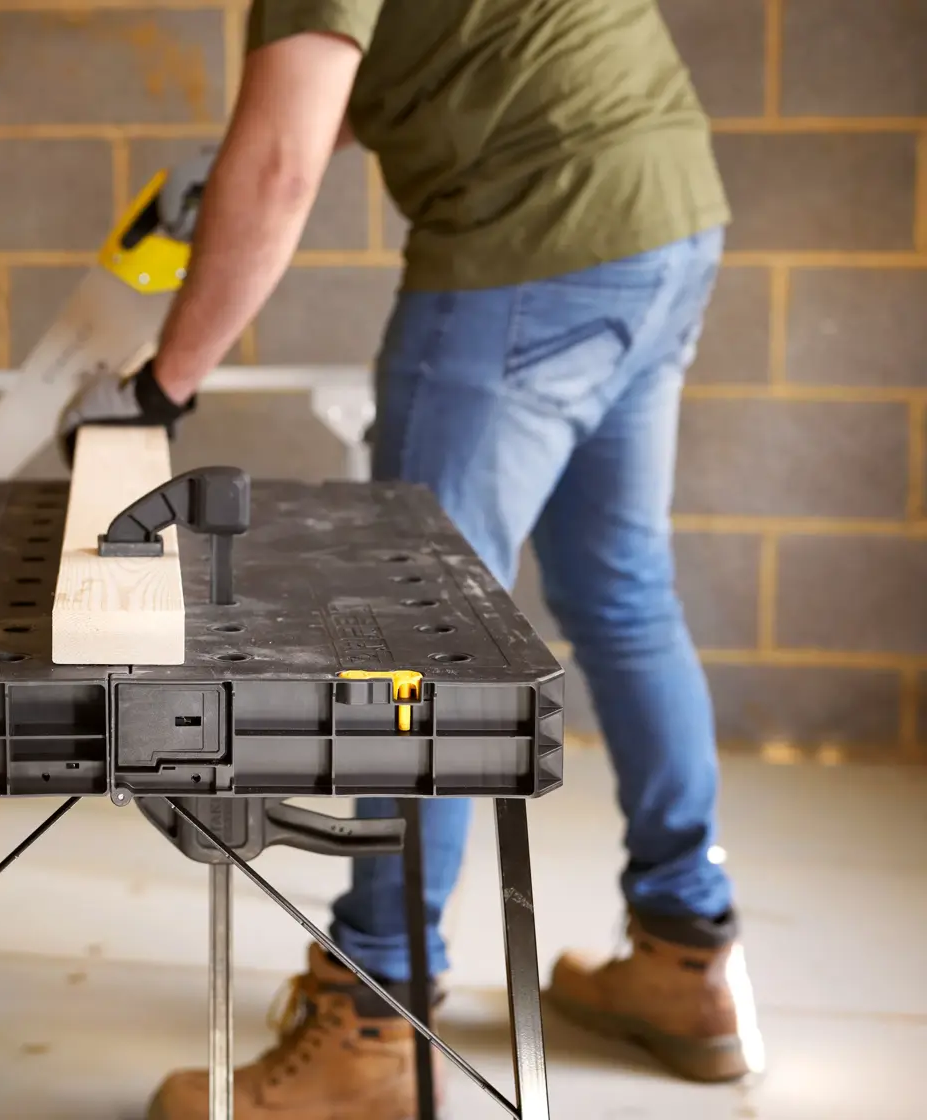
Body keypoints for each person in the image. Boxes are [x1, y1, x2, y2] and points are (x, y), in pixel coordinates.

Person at [56, 1, 767, 1116]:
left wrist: (158, 384)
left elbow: (283, 167)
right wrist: (228, 163)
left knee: (413, 641)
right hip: (661, 216)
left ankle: (375, 1017)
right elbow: (424, 62)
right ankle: (689, 958)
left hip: (525, 245)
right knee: (620, 588)